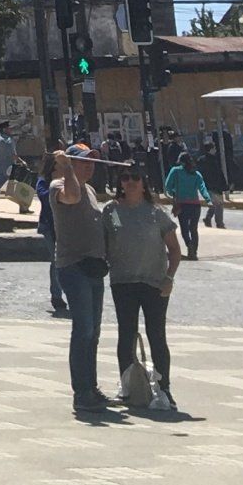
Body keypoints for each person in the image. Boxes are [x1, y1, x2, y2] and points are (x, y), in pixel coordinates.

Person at [104, 160, 181, 409]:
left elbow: (174, 250)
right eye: (125, 178)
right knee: (126, 334)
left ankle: (163, 389)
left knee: (156, 335)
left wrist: (169, 278)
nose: (130, 182)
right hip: (123, 281)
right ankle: (127, 387)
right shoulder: (112, 211)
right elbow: (106, 241)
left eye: (135, 177)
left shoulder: (156, 212)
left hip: (154, 283)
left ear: (144, 183)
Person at [50, 146, 116, 417]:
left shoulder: (89, 189)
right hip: (73, 266)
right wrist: (65, 167)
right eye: (83, 162)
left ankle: (91, 386)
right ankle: (81, 392)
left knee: (94, 332)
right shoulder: (59, 185)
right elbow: (72, 196)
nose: (90, 167)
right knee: (84, 329)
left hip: (94, 267)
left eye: (92, 162)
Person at [163, 149, 209, 260]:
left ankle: (189, 246)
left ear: (180, 161)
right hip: (195, 205)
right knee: (194, 229)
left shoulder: (175, 171)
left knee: (184, 229)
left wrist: (173, 193)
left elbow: (167, 187)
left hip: (182, 204)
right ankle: (194, 252)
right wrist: (208, 199)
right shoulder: (196, 173)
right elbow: (202, 187)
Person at [35, 164, 68, 315]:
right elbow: (45, 198)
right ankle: (56, 295)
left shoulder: (69, 181)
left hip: (65, 226)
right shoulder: (43, 181)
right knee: (56, 261)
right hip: (49, 226)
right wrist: (57, 188)